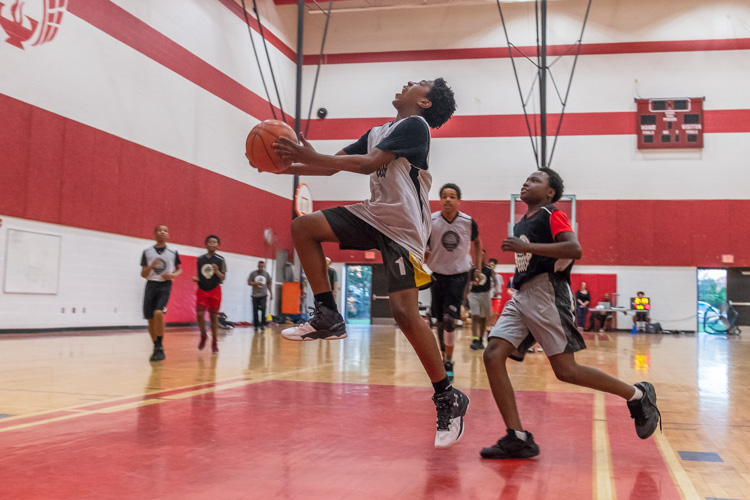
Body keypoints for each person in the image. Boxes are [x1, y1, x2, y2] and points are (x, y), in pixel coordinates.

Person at [273, 78, 470, 449]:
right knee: (303, 227)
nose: (408, 82)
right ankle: (328, 314)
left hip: (404, 227)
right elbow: (333, 167)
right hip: (375, 214)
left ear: (425, 102)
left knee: (404, 314)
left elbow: (366, 165)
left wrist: (309, 157)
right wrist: (287, 167)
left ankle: (448, 396)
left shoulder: (416, 126)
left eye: (419, 84)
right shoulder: (380, 130)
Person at [481, 168, 660, 460]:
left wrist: (527, 247)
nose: (527, 182)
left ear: (550, 192)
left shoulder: (552, 214)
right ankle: (517, 437)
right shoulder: (520, 224)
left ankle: (638, 395)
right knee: (492, 354)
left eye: (536, 180)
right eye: (527, 178)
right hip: (523, 294)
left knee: (566, 371)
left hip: (548, 293)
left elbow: (575, 248)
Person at [425, 183, 482, 381]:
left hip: (459, 275)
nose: (448, 199)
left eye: (452, 196)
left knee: (450, 319)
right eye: (444, 196)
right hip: (437, 274)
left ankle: (449, 360)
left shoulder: (467, 221)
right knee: (439, 321)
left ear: (458, 200)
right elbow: (422, 245)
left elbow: (478, 242)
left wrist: (478, 269)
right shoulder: (431, 220)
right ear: (440, 200)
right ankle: (443, 356)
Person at [140, 225, 182, 362]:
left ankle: (159, 346)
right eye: (160, 230)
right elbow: (143, 274)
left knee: (158, 313)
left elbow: (179, 270)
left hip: (165, 285)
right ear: (154, 233)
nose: (163, 232)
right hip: (151, 284)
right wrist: (151, 266)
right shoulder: (147, 252)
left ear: (168, 235)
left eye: (165, 230)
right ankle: (157, 346)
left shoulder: (173, 251)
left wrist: (172, 275)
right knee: (150, 319)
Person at [193, 235, 226, 354]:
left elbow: (223, 277)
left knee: (213, 318)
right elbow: (198, 273)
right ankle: (203, 334)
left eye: (215, 242)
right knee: (200, 314)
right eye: (210, 242)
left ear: (218, 245)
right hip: (202, 289)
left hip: (215, 290)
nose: (212, 244)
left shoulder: (220, 260)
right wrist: (196, 278)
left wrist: (217, 271)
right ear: (206, 244)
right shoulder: (200, 259)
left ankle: (215, 342)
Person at [469, 250, 497, 351]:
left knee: (483, 318)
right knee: (475, 315)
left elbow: (495, 280)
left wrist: (497, 291)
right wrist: (464, 297)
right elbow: (467, 282)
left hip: (485, 294)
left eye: (482, 255)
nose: (480, 257)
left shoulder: (489, 269)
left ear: (485, 257)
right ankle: (475, 339)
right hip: (473, 294)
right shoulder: (471, 269)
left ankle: (480, 339)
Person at [248, 261, 272, 333]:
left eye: (262, 267)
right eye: (260, 266)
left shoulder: (266, 274)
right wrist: (255, 283)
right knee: (255, 311)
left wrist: (271, 293)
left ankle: (262, 324)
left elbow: (268, 284)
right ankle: (256, 325)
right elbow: (249, 282)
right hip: (255, 295)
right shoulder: (253, 274)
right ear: (258, 266)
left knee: (263, 309)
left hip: (263, 295)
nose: (261, 268)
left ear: (263, 267)